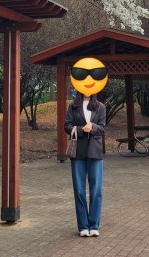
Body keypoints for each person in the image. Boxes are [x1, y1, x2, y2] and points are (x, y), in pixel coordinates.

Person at [64, 88, 107, 237]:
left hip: (95, 152)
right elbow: (67, 126)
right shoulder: (73, 106)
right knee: (79, 190)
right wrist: (81, 129)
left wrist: (93, 127)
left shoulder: (100, 106)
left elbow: (102, 128)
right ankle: (83, 226)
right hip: (78, 152)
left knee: (96, 190)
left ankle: (94, 225)